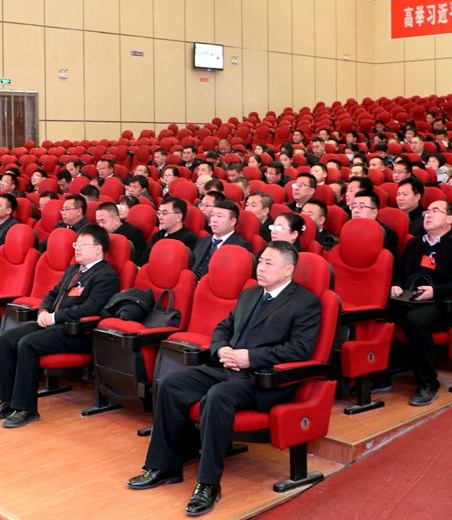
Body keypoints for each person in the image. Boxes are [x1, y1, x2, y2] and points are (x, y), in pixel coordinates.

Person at [127, 241, 321, 517]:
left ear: (288, 270)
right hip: (228, 368)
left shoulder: (305, 302)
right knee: (171, 384)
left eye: (269, 263)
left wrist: (250, 358)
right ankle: (164, 466)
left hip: (264, 379)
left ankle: (208, 484)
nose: (260, 267)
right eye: (260, 261)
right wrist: (222, 349)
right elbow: (223, 327)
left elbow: (300, 349)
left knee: (217, 396)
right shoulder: (251, 294)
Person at [0, 225, 119, 428]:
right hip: (55, 324)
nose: (77, 248)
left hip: (77, 332)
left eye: (82, 244)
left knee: (28, 343)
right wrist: (43, 311)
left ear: (98, 248)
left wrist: (55, 317)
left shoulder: (106, 275)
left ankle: (26, 409)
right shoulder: (74, 269)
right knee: (7, 338)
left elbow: (90, 308)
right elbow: (52, 293)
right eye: (75, 244)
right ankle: (7, 402)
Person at [389, 200, 452, 406]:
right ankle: (379, 376)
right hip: (409, 298)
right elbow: (398, 271)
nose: (428, 215)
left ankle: (428, 383)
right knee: (379, 311)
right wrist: (396, 285)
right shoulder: (415, 243)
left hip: (443, 303)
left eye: (435, 211)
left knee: (415, 320)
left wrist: (435, 291)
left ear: (449, 219)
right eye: (427, 211)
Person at [189, 200, 253, 278]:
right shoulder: (203, 240)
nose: (214, 220)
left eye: (219, 216)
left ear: (233, 221)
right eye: (212, 215)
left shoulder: (240, 247)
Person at [139, 197, 197, 265]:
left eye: (164, 213)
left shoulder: (188, 239)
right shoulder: (157, 235)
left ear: (178, 217)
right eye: (159, 213)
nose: (160, 217)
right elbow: (143, 262)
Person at [349, 191, 398, 257]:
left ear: (374, 212)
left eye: (361, 207)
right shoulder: (348, 230)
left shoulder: (386, 234)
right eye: (354, 207)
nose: (355, 211)